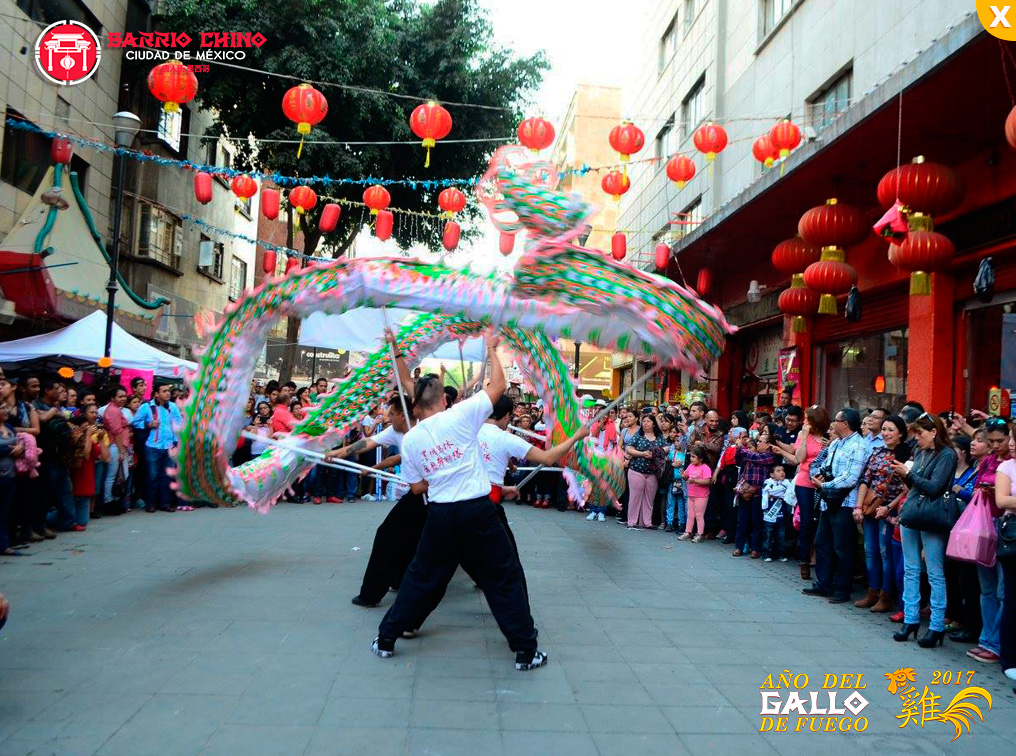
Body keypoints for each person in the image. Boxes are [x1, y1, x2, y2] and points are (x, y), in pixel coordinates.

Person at [373, 335, 548, 671]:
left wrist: (396, 349)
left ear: (416, 404)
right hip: (477, 512)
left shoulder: (411, 440)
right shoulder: (461, 415)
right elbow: (498, 386)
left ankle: (386, 639)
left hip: (439, 514)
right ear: (443, 399)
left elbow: (416, 488)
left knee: (420, 575)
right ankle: (526, 650)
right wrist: (493, 348)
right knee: (503, 575)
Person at [332, 395, 420, 607]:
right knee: (410, 539)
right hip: (418, 494)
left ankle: (371, 594)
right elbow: (368, 443)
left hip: (429, 494)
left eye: (391, 414)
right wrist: (339, 452)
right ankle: (398, 581)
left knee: (387, 536)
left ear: (402, 415)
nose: (388, 419)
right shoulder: (397, 431)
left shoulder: (424, 432)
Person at [891, 412, 958, 648]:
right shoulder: (920, 452)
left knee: (934, 572)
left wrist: (909, 474)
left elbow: (935, 487)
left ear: (934, 432)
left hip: (932, 516)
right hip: (912, 512)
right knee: (911, 569)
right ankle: (910, 620)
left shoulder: (947, 454)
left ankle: (936, 625)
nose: (916, 439)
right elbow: (914, 485)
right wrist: (905, 475)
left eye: (920, 434)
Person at [803, 408, 867, 604]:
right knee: (823, 543)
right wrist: (820, 475)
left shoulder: (858, 445)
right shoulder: (836, 443)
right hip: (827, 500)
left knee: (842, 548)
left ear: (845, 423)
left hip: (845, 502)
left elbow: (851, 478)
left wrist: (825, 484)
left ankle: (842, 588)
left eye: (836, 420)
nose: (833, 423)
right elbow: (826, 466)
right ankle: (824, 583)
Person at [965, 418, 1011, 663]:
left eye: (1000, 441)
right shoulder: (990, 461)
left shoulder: (1011, 463)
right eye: (990, 441)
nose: (996, 446)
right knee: (987, 589)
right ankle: (987, 640)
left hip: (1005, 527)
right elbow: (974, 486)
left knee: (1004, 591)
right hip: (984, 524)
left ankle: (999, 643)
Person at [856, 415, 910, 612]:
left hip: (891, 510)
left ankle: (887, 596)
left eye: (891, 430)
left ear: (901, 433)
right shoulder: (877, 452)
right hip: (871, 507)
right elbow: (865, 479)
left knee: (885, 552)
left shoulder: (907, 455)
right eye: (884, 429)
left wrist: (888, 508)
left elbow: (907, 488)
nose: (886, 434)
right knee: (870, 552)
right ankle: (873, 592)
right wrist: (858, 506)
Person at [774, 405, 829, 581]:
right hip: (805, 481)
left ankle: (818, 558)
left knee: (820, 522)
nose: (804, 422)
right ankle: (804, 560)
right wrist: (804, 437)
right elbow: (799, 458)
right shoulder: (803, 435)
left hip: (825, 482)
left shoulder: (828, 437)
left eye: (807, 418)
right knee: (806, 521)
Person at [944, 434, 982, 642]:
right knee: (950, 572)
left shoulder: (977, 469)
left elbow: (977, 496)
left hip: (972, 529)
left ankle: (968, 623)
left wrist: (960, 491)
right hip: (952, 526)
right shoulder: (951, 469)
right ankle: (953, 614)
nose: (975, 443)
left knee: (968, 579)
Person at [132, 382, 183, 513]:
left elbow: (179, 425)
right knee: (152, 476)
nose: (168, 393)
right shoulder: (146, 407)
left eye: (168, 391)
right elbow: (135, 423)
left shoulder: (172, 407)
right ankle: (151, 503)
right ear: (156, 394)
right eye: (164, 391)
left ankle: (165, 503)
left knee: (166, 476)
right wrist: (148, 424)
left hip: (169, 446)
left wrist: (177, 442)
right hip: (152, 446)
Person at [992, 423, 1016, 682]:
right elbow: (1002, 501)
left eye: (1013, 438)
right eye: (1010, 438)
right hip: (1013, 540)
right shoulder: (1006, 467)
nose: (1010, 443)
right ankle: (1008, 657)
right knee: (1011, 598)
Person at [35, 376, 74, 535]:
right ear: (47, 390)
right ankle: (40, 524)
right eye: (56, 389)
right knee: (46, 493)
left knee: (65, 490)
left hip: (60, 457)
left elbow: (64, 417)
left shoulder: (54, 407)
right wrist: (55, 412)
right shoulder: (36, 405)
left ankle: (67, 521)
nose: (60, 392)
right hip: (46, 456)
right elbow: (42, 418)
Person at [733, 429, 775, 558]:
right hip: (744, 491)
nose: (758, 443)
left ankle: (756, 548)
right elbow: (738, 460)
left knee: (756, 521)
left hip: (758, 493)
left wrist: (741, 447)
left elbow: (754, 457)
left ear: (768, 444)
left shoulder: (769, 456)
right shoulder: (749, 453)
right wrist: (740, 448)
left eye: (760, 441)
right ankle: (739, 546)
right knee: (742, 520)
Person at [68, 407, 108, 531]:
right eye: (84, 427)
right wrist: (88, 435)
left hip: (87, 486)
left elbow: (105, 458)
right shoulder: (74, 439)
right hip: (76, 485)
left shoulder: (90, 440)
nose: (87, 429)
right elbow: (85, 454)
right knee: (68, 515)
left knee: (83, 522)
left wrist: (100, 440)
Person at [625, 413, 666, 530]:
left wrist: (657, 452)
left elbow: (667, 447)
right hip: (637, 469)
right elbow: (629, 449)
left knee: (649, 498)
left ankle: (646, 522)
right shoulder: (639, 436)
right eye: (643, 421)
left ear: (653, 424)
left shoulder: (659, 437)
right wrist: (642, 454)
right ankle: (632, 521)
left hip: (652, 473)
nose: (645, 423)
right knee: (635, 497)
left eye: (648, 421)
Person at [0, 402, 25, 556]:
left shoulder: (9, 427)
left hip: (10, 475)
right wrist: (10, 450)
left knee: (5, 511)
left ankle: (4, 544)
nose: (6, 410)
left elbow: (19, 443)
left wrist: (20, 448)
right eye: (2, 408)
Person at [101, 386, 130, 515]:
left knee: (121, 475)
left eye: (124, 396)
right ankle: (109, 502)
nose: (123, 398)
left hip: (118, 446)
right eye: (120, 396)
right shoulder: (113, 411)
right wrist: (122, 450)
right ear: (112, 398)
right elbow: (116, 432)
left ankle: (115, 501)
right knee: (113, 476)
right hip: (115, 446)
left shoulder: (115, 409)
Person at [761, 463, 795, 562]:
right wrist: (780, 493)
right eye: (778, 471)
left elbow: (790, 493)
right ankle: (766, 553)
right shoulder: (768, 482)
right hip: (769, 514)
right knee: (768, 535)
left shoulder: (787, 483)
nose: (782, 473)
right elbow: (770, 492)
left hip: (781, 514)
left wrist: (776, 494)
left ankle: (780, 554)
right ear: (772, 474)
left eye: (783, 470)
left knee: (781, 536)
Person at [678, 444, 711, 542]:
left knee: (699, 515)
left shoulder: (705, 468)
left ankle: (700, 534)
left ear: (700, 458)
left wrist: (695, 481)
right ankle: (688, 532)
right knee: (690, 514)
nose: (691, 459)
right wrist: (683, 475)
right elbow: (687, 476)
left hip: (701, 496)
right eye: (691, 456)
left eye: (693, 457)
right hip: (691, 495)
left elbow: (707, 481)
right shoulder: (691, 466)